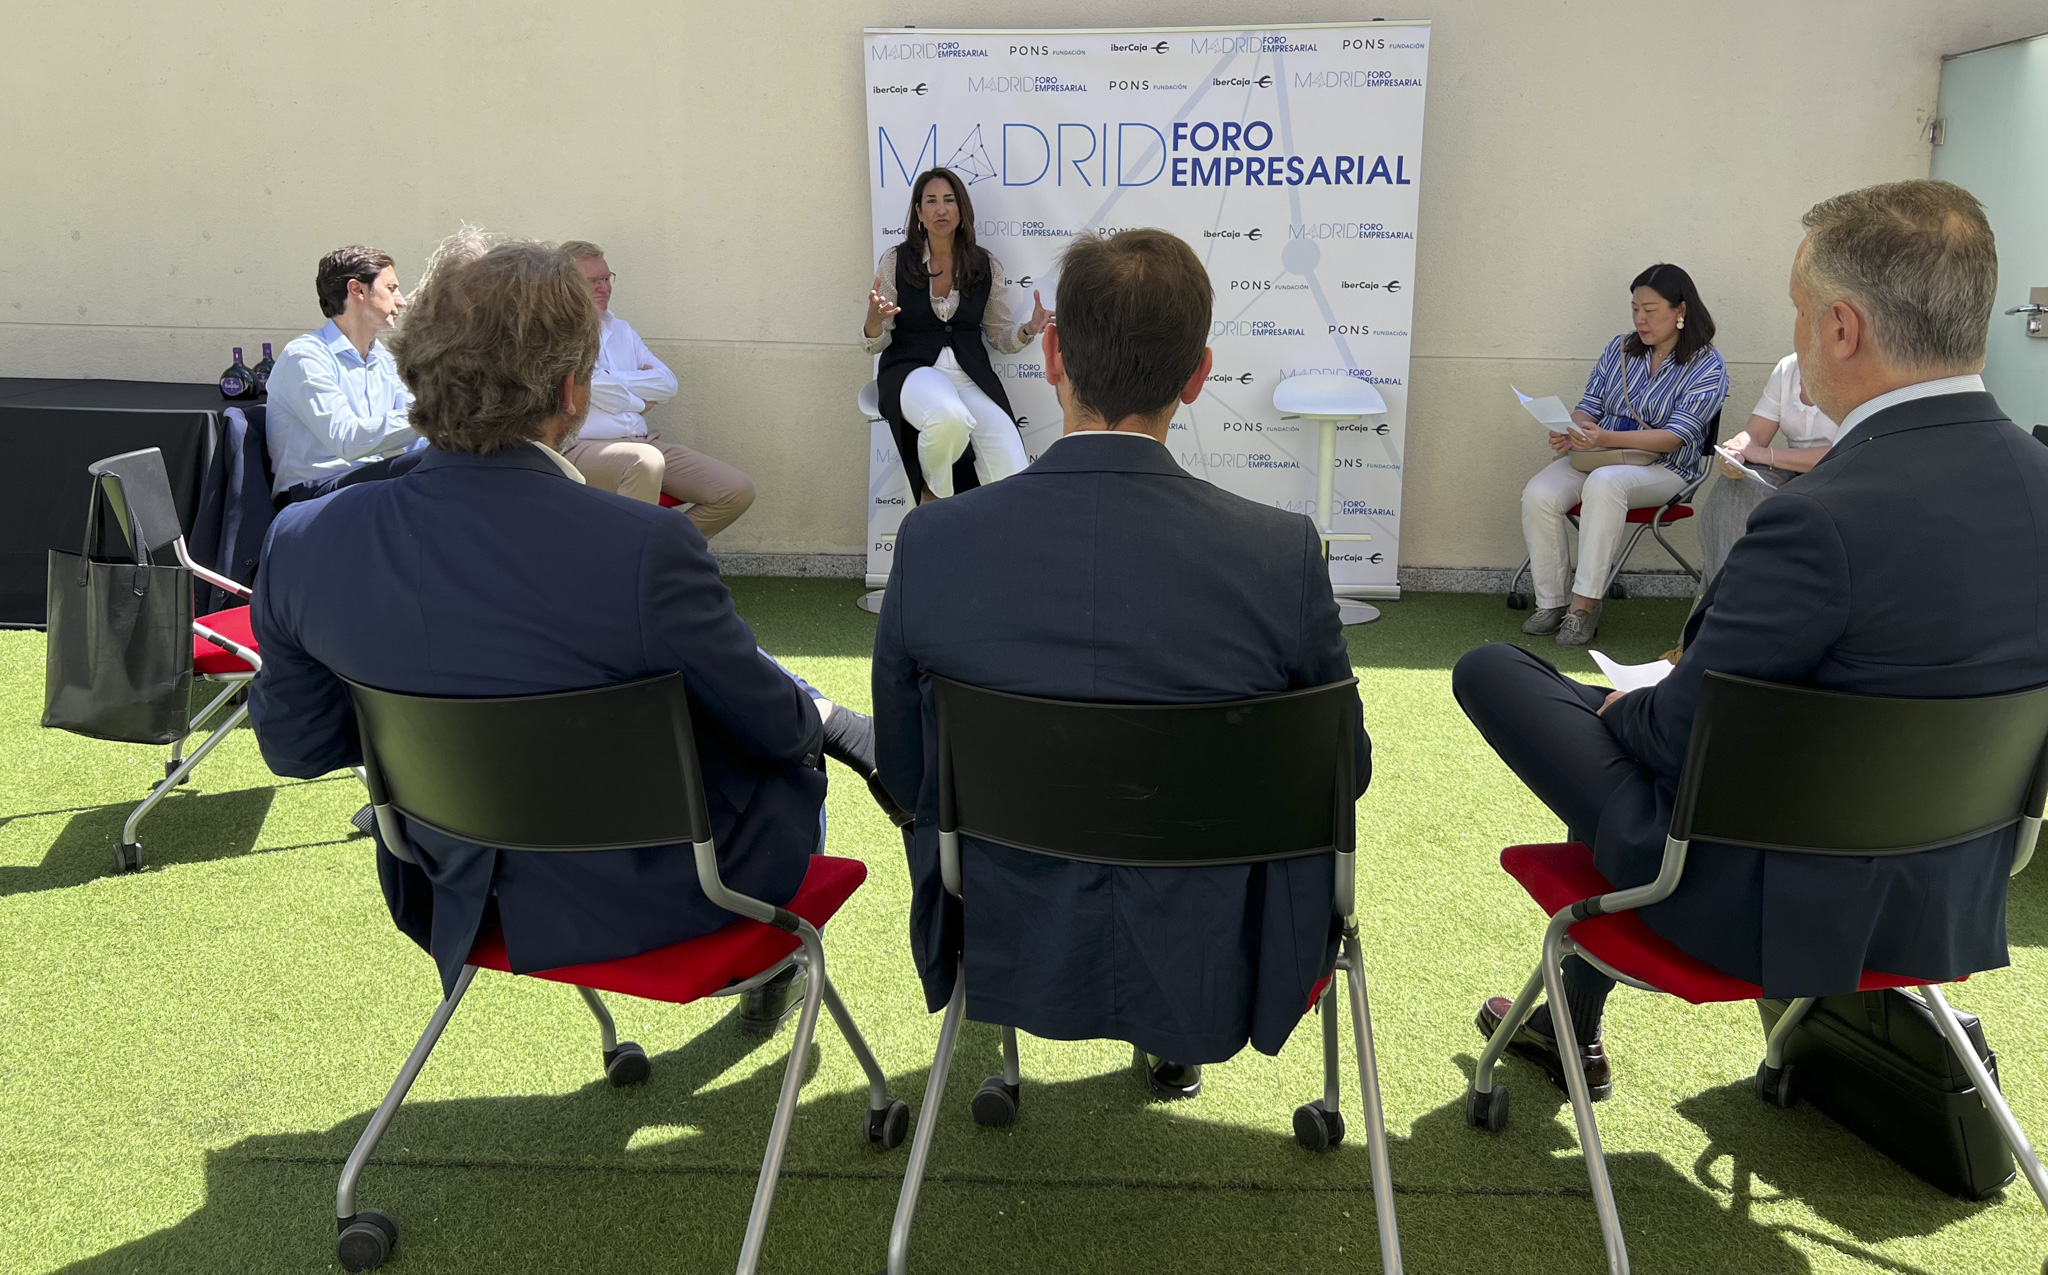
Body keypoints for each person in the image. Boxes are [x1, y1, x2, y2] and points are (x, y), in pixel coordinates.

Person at [1454, 179, 2048, 1101]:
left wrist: (1628, 709)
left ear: (1841, 328)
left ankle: (1571, 1015)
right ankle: (1570, 1014)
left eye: (1799, 311)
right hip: (1956, 890)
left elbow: (1676, 741)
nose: (1796, 334)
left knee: (1499, 672)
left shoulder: (1819, 517)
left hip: (1745, 899)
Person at [248, 238, 891, 1033]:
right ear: (572, 390)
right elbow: (778, 729)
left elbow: (297, 747)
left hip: (458, 892)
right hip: (677, 899)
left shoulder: (304, 541)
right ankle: (781, 951)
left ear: (416, 371)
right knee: (792, 745)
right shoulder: (645, 547)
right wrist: (821, 715)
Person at [873, 229, 1371, 1096]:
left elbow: (910, 774)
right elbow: (1343, 774)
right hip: (1215, 949)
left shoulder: (934, 542)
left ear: (1053, 357)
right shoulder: (1280, 557)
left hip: (1006, 925)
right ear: (1199, 374)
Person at [1518, 264, 1729, 645]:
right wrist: (1573, 430)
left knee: (1605, 484)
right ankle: (1552, 602)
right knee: (1539, 493)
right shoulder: (1619, 349)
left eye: (1650, 310)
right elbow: (1589, 406)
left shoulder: (1707, 366)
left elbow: (1675, 438)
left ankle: (1583, 608)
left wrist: (1604, 436)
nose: (1640, 319)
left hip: (1666, 469)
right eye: (1634, 309)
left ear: (1680, 310)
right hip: (1598, 456)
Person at [865, 166, 1052, 502]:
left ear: (962, 209)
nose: (941, 209)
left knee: (1011, 462)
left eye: (949, 200)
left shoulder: (985, 264)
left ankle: (999, 532)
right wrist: (873, 322)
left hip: (969, 375)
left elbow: (998, 335)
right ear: (919, 212)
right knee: (948, 418)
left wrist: (1027, 330)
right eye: (931, 201)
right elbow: (876, 343)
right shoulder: (896, 260)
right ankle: (934, 496)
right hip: (911, 370)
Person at [553, 241, 757, 539]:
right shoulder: (557, 331)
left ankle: (662, 553)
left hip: (642, 442)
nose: (604, 288)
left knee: (736, 490)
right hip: (580, 446)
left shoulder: (621, 330)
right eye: (593, 281)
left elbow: (667, 383)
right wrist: (639, 402)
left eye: (607, 278)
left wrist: (614, 381)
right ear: (567, 285)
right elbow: (592, 385)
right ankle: (628, 563)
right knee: (643, 462)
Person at [265, 246, 426, 506]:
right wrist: (434, 416)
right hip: (312, 495)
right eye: (391, 288)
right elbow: (347, 440)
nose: (402, 301)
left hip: (362, 484)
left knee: (449, 462)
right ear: (357, 290)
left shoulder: (383, 359)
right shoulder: (305, 357)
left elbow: (418, 433)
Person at [1695, 352, 1840, 587]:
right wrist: (1735, 452)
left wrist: (1765, 455)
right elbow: (1754, 434)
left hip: (1846, 475)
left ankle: (1739, 591)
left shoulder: (1861, 368)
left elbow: (1850, 449)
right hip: (1797, 476)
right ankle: (1726, 589)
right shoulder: (1788, 367)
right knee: (1737, 484)